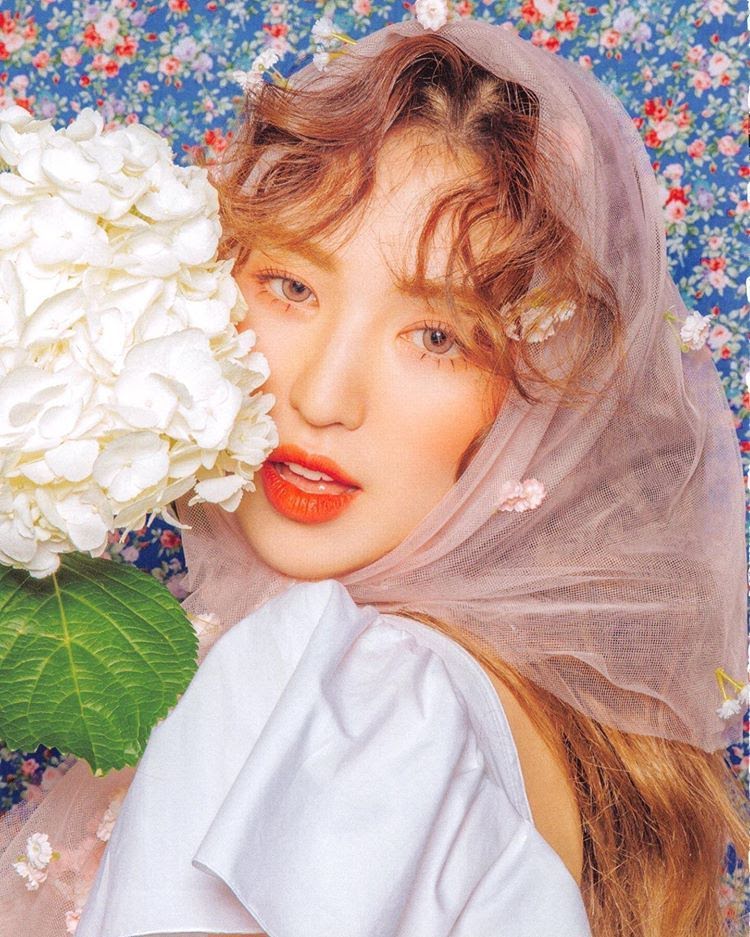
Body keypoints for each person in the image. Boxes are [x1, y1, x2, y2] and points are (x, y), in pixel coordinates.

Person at [1, 16, 747, 937]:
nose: (323, 396)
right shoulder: (490, 722)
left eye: (436, 336)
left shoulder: (365, 695)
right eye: (291, 286)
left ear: (541, 410)